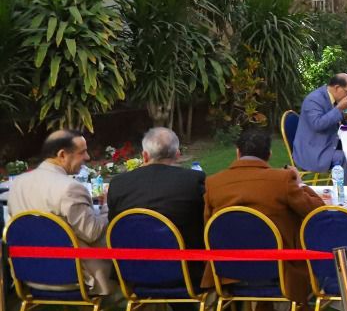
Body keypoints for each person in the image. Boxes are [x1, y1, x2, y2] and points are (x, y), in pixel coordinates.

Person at [204, 126, 323, 311]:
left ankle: (264, 307)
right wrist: (300, 184)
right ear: (269, 154)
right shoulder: (282, 179)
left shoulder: (213, 183)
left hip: (228, 266)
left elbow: (209, 225)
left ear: (237, 152)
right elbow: (316, 211)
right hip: (280, 265)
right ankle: (296, 306)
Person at [5, 130, 115, 296]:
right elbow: (92, 233)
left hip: (29, 275)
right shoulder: (70, 187)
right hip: (75, 277)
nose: (87, 157)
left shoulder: (18, 183)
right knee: (131, 251)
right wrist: (107, 206)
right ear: (62, 155)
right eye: (82, 152)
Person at [106, 126, 208, 248]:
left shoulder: (118, 184)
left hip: (130, 258)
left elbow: (113, 225)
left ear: (145, 156)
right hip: (182, 258)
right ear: (177, 155)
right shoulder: (193, 181)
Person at [293, 74, 347, 173]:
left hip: (327, 142)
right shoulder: (314, 100)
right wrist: (339, 109)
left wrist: (344, 114)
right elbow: (317, 124)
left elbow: (331, 120)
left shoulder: (330, 97)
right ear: (337, 88)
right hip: (313, 151)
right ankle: (345, 183)